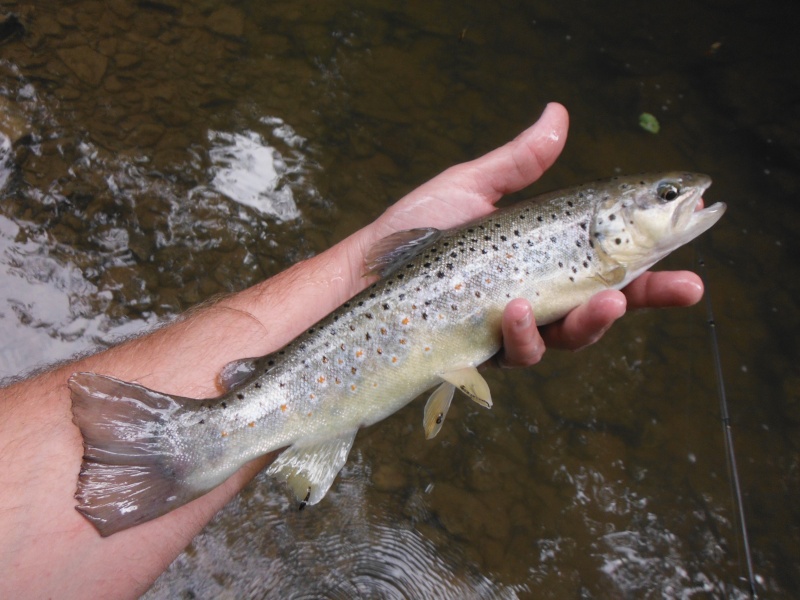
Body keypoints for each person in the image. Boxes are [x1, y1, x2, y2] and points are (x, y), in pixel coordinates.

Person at [0, 103, 703, 598]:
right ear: (605, 223)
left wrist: (357, 267)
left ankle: (222, 438)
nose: (686, 197)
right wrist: (359, 267)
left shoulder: (609, 255)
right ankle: (203, 441)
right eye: (668, 195)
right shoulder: (593, 248)